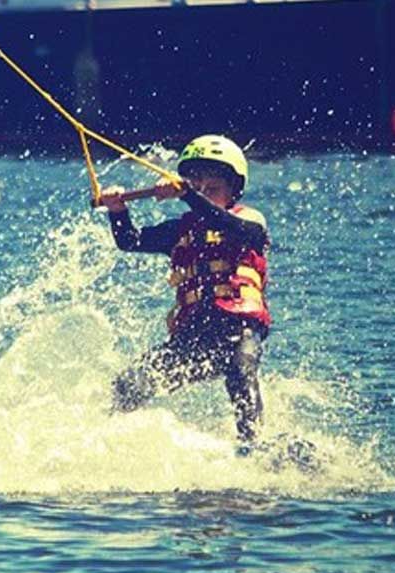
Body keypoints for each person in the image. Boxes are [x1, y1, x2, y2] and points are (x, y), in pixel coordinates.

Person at [101, 135, 271, 443]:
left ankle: (255, 445)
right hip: (194, 338)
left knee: (240, 371)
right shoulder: (179, 231)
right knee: (129, 383)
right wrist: (117, 210)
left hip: (239, 331)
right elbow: (129, 241)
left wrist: (189, 195)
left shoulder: (249, 221)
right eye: (197, 186)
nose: (204, 193)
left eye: (213, 189)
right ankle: (105, 439)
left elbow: (230, 226)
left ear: (233, 190)